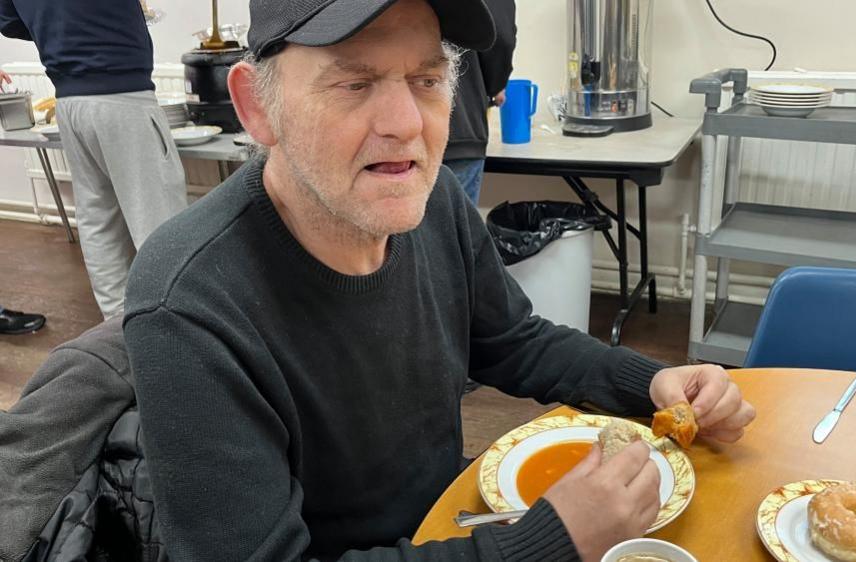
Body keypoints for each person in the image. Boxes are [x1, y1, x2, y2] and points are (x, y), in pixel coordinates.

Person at [122, 0, 757, 560]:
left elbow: (513, 340)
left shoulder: (437, 206)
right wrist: (549, 543)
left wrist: (651, 383)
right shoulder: (188, 306)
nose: (407, 123)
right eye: (353, 83)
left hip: (454, 517)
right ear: (258, 106)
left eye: (427, 79)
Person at [0, 0, 188, 319]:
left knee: (98, 221)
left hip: (70, 102)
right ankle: (179, 329)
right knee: (161, 226)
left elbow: (8, 21)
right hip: (123, 95)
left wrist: (61, 27)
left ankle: (117, 329)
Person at [441, 0, 515, 204]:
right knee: (455, 232)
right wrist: (494, 85)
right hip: (460, 125)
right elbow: (501, 37)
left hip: (389, 126)